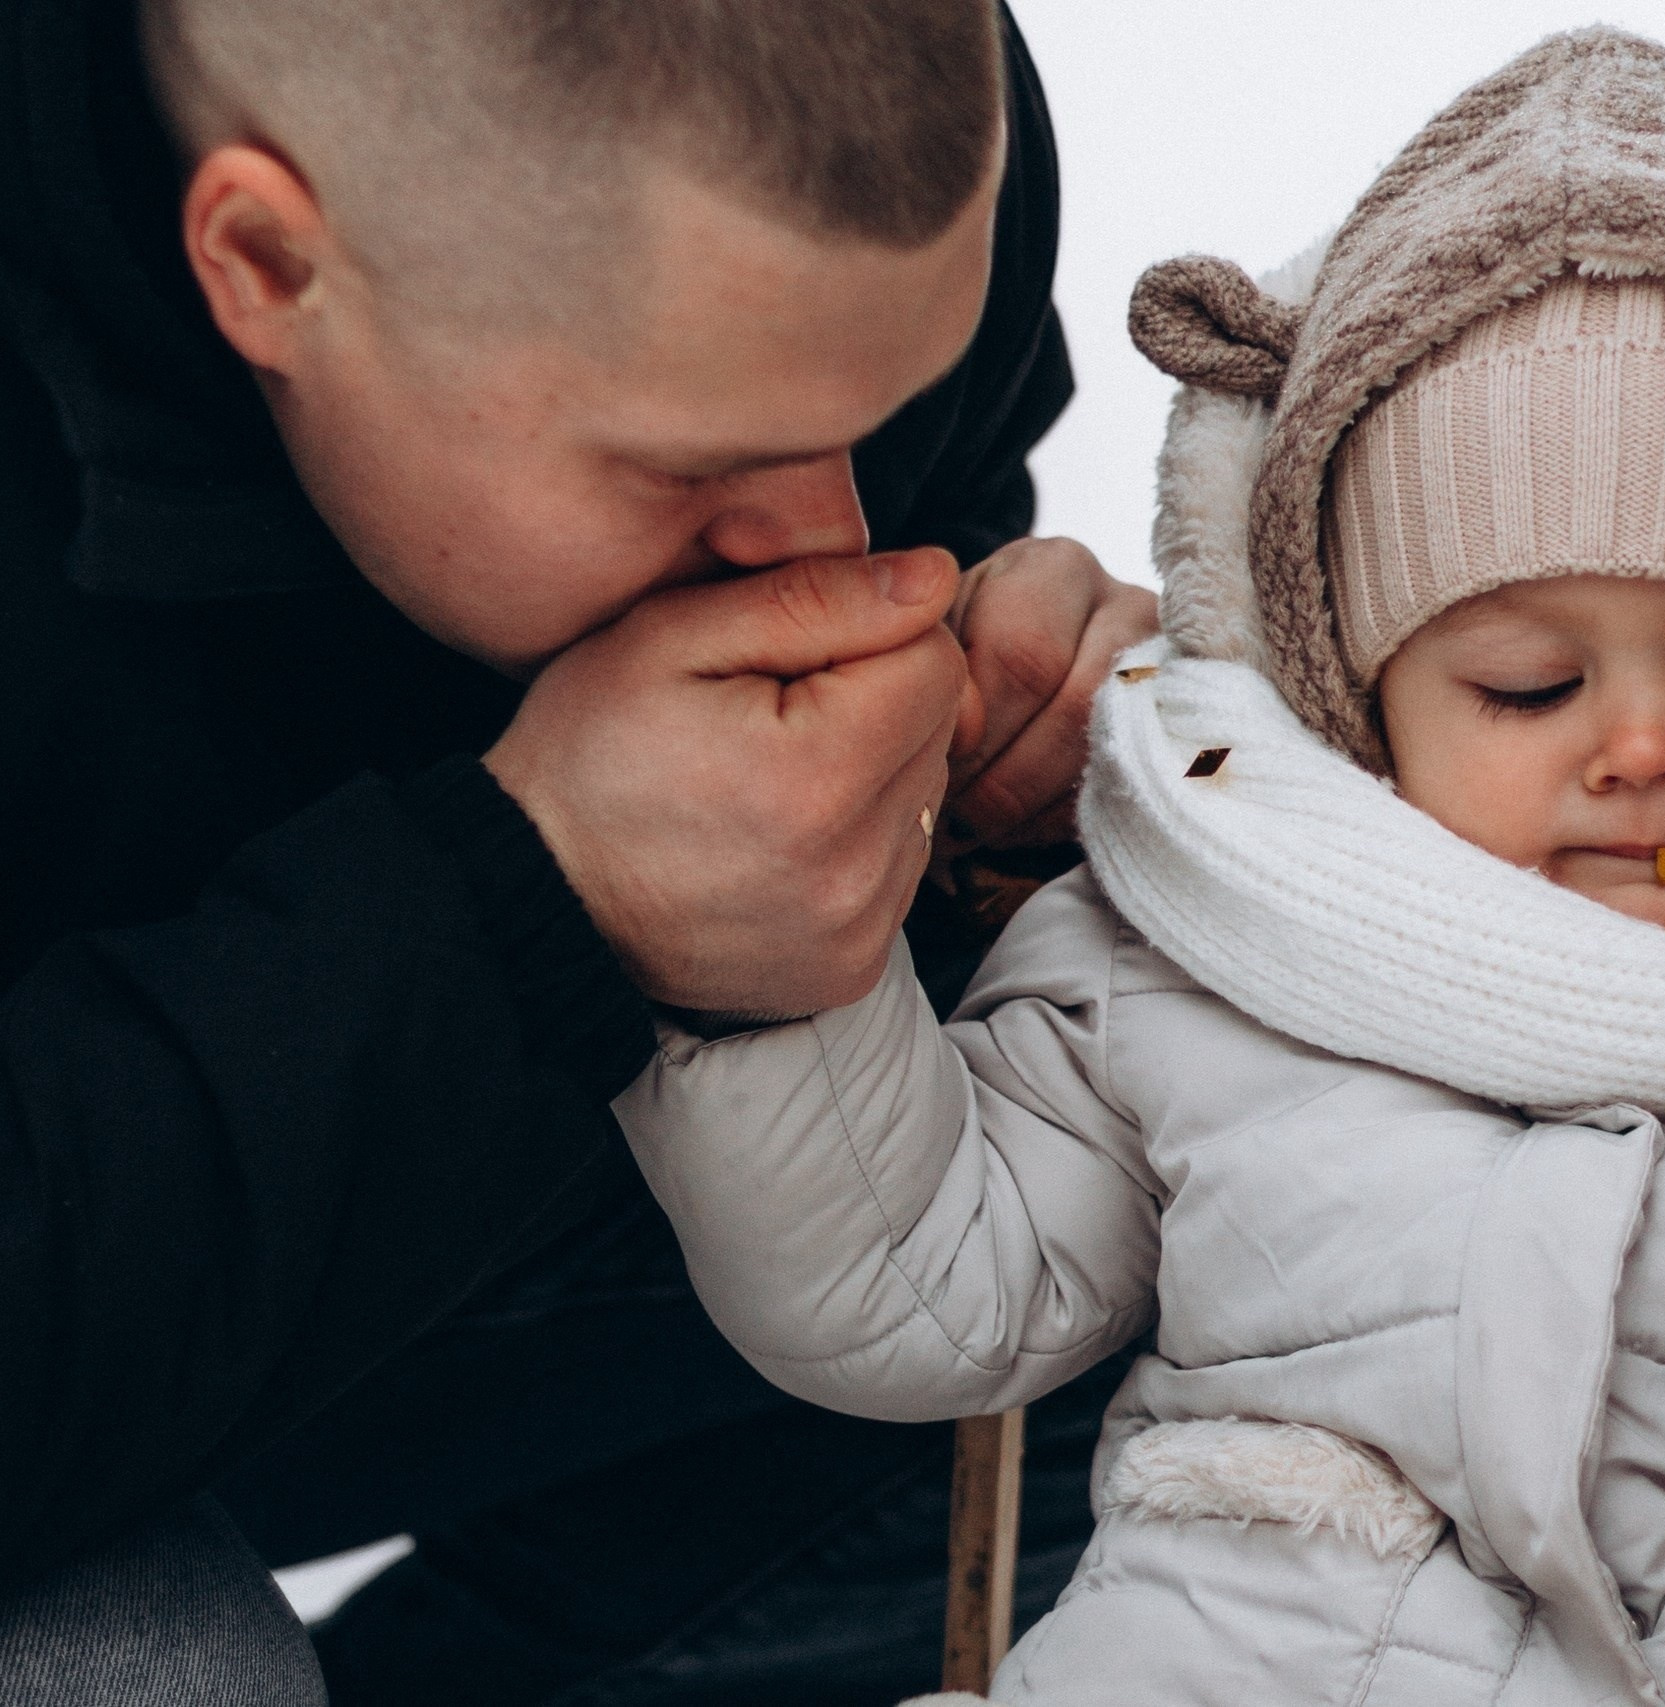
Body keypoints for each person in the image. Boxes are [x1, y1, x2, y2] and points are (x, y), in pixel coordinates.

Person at [613, 32, 1665, 1704]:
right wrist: (769, 964)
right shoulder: (1213, 945)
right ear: (1363, 704)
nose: (1642, 749)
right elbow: (921, 1293)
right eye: (1527, 685)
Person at [0, 0, 1154, 1700]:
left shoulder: (834, 85)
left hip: (373, 1181)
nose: (830, 545)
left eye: (874, 408)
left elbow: (938, 508)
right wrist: (543, 898)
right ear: (264, 264)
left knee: (1233, 1217)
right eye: (695, 469)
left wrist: (949, 815)